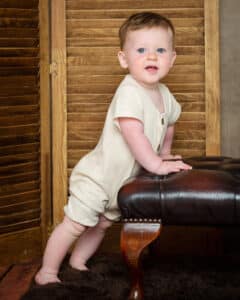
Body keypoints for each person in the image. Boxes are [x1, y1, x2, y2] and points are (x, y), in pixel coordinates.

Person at [35, 11, 192, 285]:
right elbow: (134, 134)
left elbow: (171, 121)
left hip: (119, 182)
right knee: (76, 223)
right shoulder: (129, 91)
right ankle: (46, 271)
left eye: (160, 50)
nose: (151, 56)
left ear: (172, 58)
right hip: (98, 176)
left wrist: (165, 151)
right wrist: (156, 164)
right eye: (141, 50)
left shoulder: (164, 94)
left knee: (102, 225)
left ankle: (77, 261)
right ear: (123, 58)